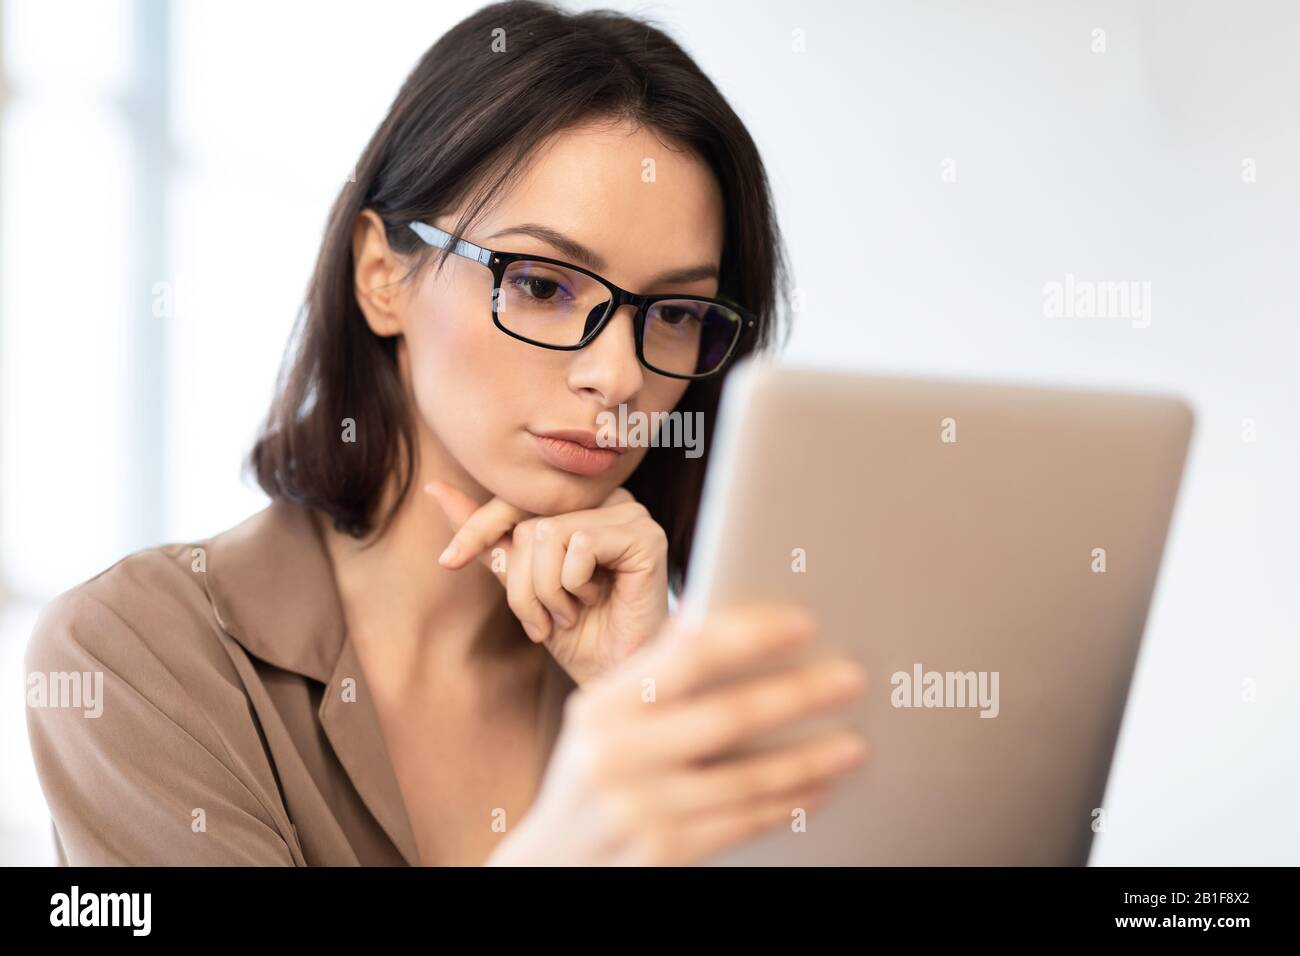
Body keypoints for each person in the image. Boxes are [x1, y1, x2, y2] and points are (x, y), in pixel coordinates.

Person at [24, 0, 868, 866]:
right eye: (542, 284)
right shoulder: (134, 654)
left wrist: (650, 702)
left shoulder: (655, 681)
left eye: (678, 311)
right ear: (382, 275)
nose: (618, 375)